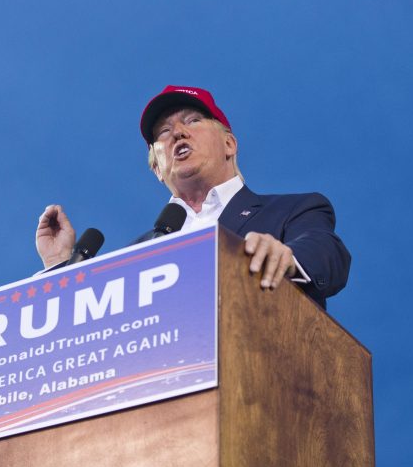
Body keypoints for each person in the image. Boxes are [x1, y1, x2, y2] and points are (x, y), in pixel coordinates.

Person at [36, 86, 350, 308]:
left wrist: (287, 256)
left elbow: (325, 252)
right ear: (157, 168)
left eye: (193, 121)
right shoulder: (135, 255)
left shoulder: (293, 209)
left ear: (229, 144)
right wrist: (58, 267)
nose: (178, 133)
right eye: (163, 132)